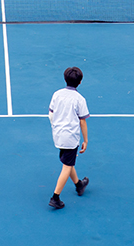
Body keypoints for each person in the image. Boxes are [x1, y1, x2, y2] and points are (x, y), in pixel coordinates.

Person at [48, 66, 90, 210]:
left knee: (68, 161)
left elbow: (51, 113)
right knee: (67, 166)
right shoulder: (79, 99)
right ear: (80, 82)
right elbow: (82, 121)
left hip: (58, 134)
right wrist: (85, 140)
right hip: (70, 137)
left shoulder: (57, 94)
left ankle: (79, 185)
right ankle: (55, 197)